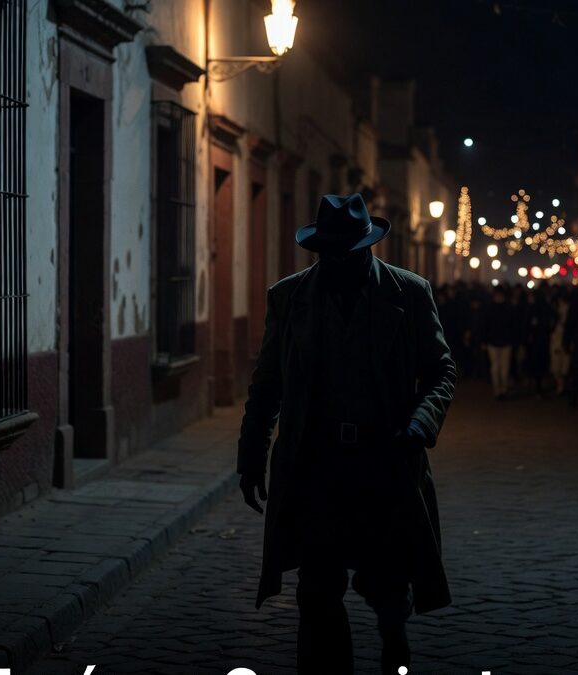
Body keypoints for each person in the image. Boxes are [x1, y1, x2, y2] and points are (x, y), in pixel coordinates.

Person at [237, 193, 456, 675]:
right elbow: (267, 382)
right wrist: (251, 453)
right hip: (316, 465)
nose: (340, 262)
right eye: (330, 253)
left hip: (387, 461)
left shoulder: (409, 292)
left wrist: (421, 423)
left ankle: (393, 639)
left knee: (389, 581)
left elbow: (441, 371)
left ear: (368, 246)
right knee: (317, 589)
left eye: (349, 252)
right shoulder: (289, 297)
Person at [481, 285, 515, 399]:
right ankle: (498, 391)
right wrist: (484, 340)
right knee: (495, 367)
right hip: (493, 342)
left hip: (505, 342)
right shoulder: (490, 308)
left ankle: (503, 390)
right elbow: (485, 325)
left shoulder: (508, 308)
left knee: (504, 368)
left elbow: (513, 325)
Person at [522, 288, 553, 396]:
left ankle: (536, 385)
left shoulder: (537, 309)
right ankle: (536, 385)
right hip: (538, 342)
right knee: (537, 364)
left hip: (537, 342)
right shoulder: (536, 308)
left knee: (536, 363)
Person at [549, 288, 571, 395]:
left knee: (565, 365)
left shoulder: (570, 310)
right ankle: (560, 384)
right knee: (556, 365)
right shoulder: (554, 310)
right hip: (556, 339)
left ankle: (563, 385)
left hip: (565, 339)